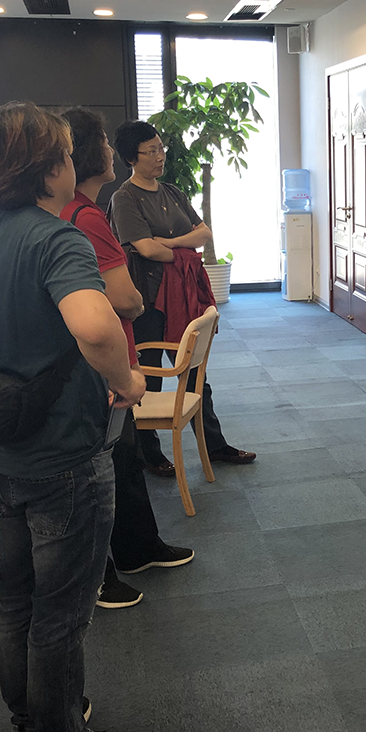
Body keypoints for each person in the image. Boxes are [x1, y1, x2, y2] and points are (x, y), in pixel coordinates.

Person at [0, 102, 148, 732]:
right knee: (61, 614)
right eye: (65, 155)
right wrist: (125, 379)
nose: (73, 165)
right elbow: (96, 325)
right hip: (63, 453)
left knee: (16, 600)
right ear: (47, 169)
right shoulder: (58, 239)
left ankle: (29, 730)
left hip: (1, 451)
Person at [59, 108, 195, 613]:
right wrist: (134, 309)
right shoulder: (89, 216)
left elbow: (192, 237)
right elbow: (125, 300)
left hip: (104, 360)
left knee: (123, 458)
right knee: (102, 467)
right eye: (103, 141)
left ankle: (139, 547)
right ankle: (107, 570)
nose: (111, 150)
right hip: (105, 363)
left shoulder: (72, 211)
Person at [109, 119, 255, 473]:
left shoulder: (172, 192)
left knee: (194, 371)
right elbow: (145, 249)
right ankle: (150, 454)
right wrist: (181, 250)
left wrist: (170, 243)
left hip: (183, 294)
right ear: (131, 158)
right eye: (151, 151)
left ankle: (214, 444)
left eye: (161, 148)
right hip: (148, 299)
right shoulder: (124, 198)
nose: (160, 156)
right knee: (151, 375)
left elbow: (203, 233)